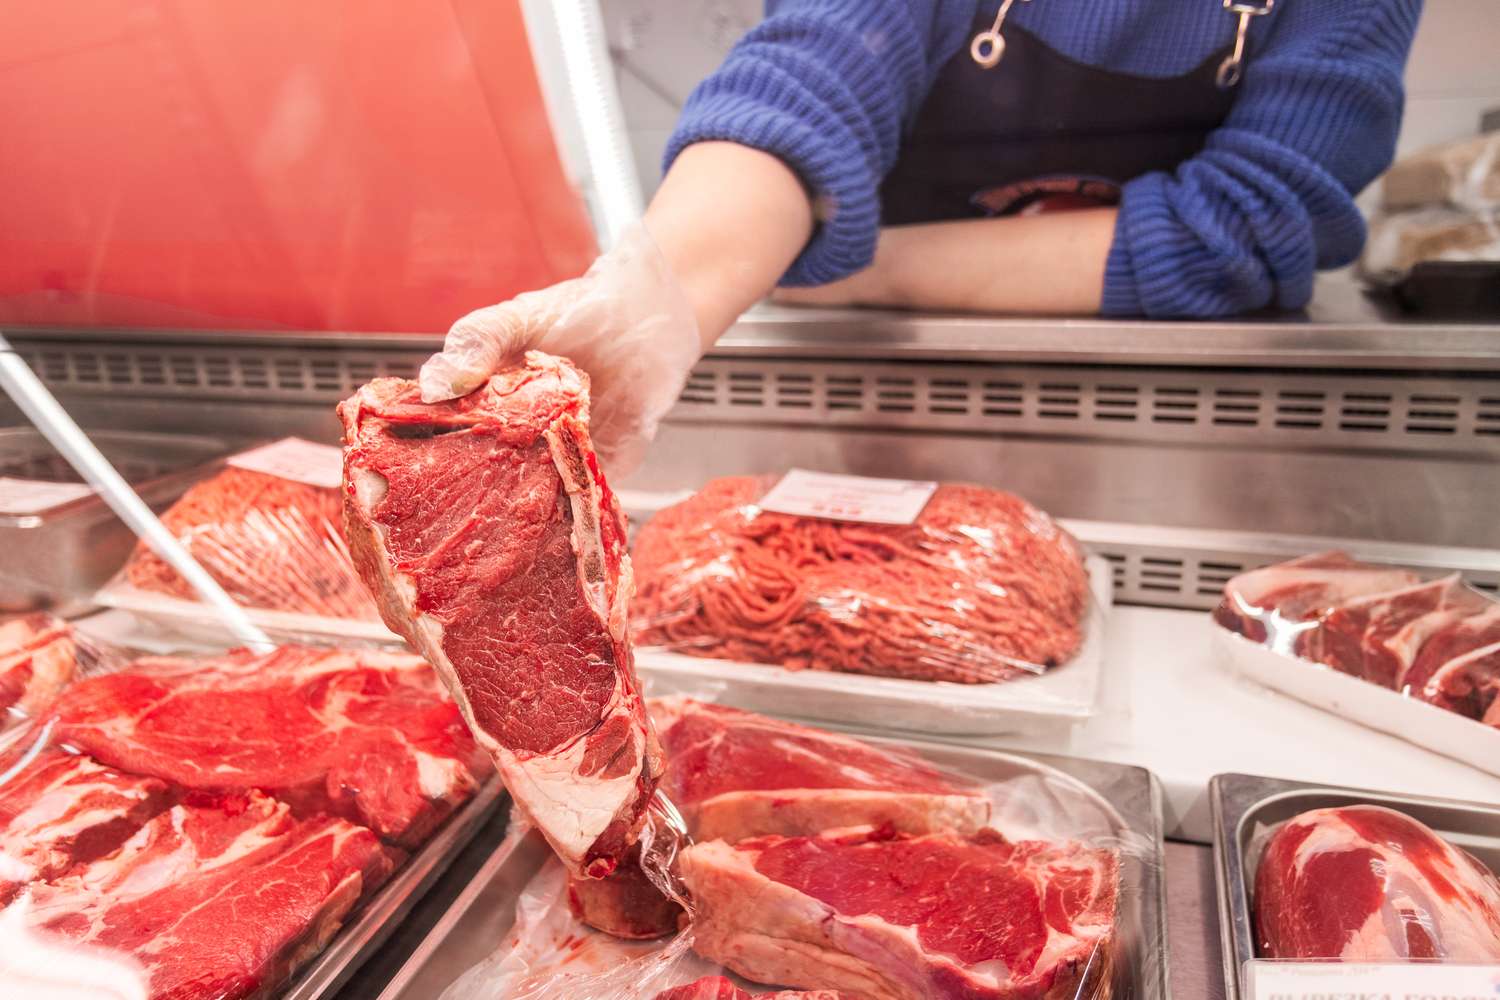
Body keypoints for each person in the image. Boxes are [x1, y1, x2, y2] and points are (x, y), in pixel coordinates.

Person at [421, 0, 1423, 476]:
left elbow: (1251, 224)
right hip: (881, 405)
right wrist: (655, 296)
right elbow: (807, 79)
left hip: (1186, 434)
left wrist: (862, 271)